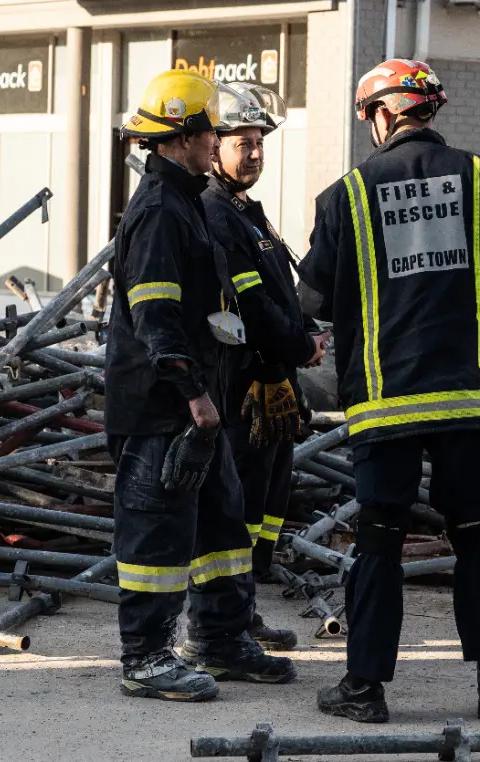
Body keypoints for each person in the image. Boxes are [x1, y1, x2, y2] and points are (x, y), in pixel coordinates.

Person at [299, 60, 480, 724]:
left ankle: (365, 690)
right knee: (475, 535)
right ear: (427, 111)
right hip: (474, 398)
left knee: (378, 540)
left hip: (387, 400)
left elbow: (313, 299)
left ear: (382, 116)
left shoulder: (346, 196)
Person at [106, 69, 294, 704]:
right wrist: (191, 392)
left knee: (220, 525)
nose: (217, 139)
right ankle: (146, 658)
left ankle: (218, 638)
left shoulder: (184, 201)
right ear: (181, 136)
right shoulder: (160, 210)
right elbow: (155, 316)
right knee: (156, 531)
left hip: (198, 402)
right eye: (210, 129)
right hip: (164, 407)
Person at [200, 82, 328, 651]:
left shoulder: (248, 212)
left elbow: (280, 293)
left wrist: (302, 338)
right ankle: (228, 622)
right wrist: (296, 349)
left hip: (274, 375)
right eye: (241, 143)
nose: (254, 153)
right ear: (212, 147)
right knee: (239, 505)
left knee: (267, 505)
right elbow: (249, 303)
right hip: (242, 381)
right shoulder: (214, 212)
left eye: (259, 143)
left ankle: (246, 605)